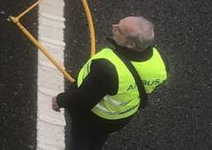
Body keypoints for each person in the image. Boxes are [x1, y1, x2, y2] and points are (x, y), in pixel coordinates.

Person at [52, 16, 168, 150]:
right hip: (121, 117)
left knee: (80, 141)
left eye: (119, 30)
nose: (113, 26)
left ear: (131, 44)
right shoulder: (161, 60)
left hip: (93, 117)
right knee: (98, 139)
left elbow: (81, 100)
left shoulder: (107, 67)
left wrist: (59, 101)